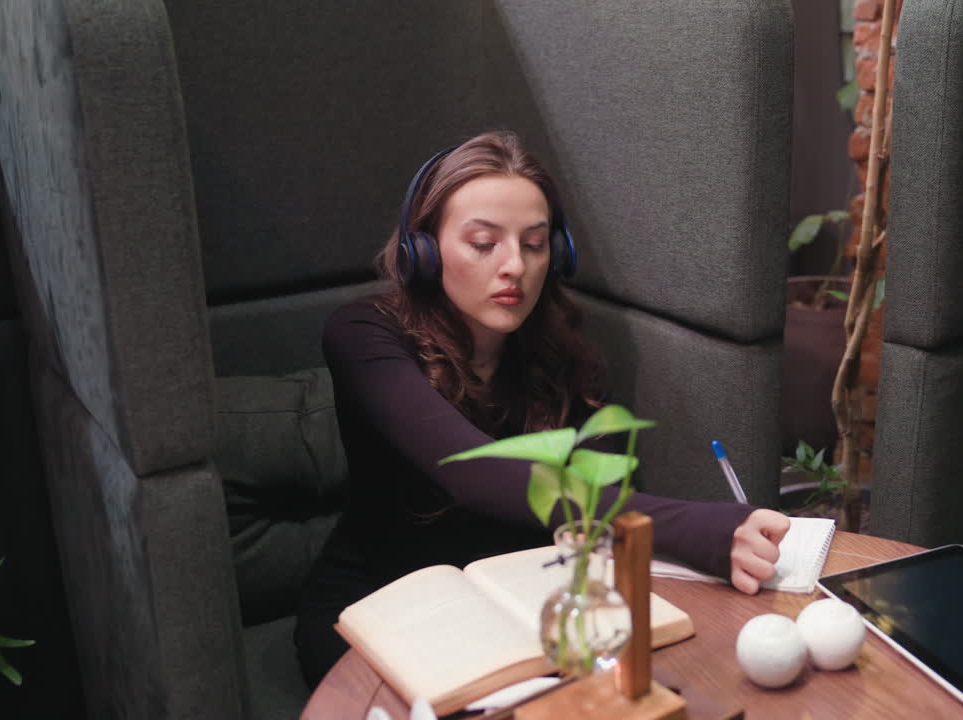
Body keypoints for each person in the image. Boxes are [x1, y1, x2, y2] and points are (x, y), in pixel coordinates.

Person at [293, 130, 790, 687]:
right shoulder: (364, 332)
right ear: (424, 250)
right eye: (484, 243)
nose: (515, 266)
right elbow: (476, 474)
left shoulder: (563, 352)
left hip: (513, 602)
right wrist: (698, 527)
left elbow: (588, 507)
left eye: (533, 244)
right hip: (378, 602)